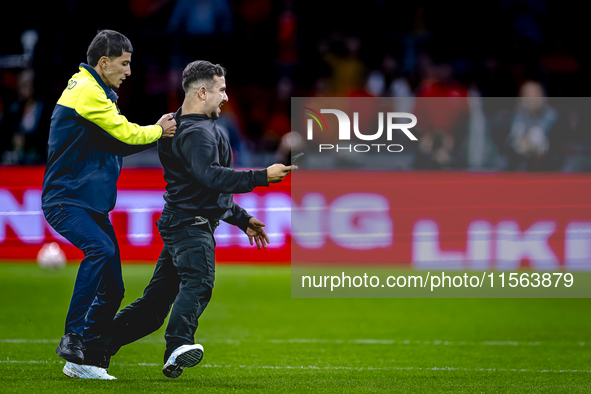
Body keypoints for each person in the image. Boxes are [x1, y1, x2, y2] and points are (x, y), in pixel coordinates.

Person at [103, 60, 294, 378]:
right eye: (221, 90)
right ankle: (178, 344)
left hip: (183, 219)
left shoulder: (179, 125)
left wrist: (241, 218)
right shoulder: (197, 132)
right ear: (202, 91)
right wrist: (262, 176)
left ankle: (93, 345)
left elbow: (200, 188)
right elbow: (210, 177)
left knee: (153, 308)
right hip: (189, 225)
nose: (226, 97)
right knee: (199, 282)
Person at [41, 30, 177, 380]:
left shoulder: (93, 91)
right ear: (104, 62)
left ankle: (84, 360)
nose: (129, 71)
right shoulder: (88, 91)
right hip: (66, 200)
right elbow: (127, 133)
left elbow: (117, 142)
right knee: (99, 250)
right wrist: (158, 130)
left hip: (87, 204)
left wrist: (156, 134)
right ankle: (73, 338)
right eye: (124, 63)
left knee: (114, 287)